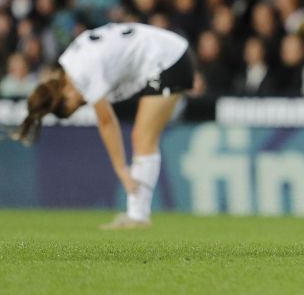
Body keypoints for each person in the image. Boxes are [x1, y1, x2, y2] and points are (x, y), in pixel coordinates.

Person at [11, 22, 196, 230]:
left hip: (169, 59)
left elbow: (107, 122)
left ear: (65, 95)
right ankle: (137, 215)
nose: (84, 102)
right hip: (165, 54)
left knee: (143, 137)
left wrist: (121, 169)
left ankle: (138, 217)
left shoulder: (82, 73)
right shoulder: (70, 60)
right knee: (142, 137)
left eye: (79, 104)